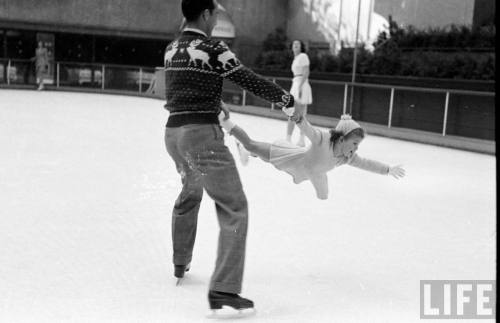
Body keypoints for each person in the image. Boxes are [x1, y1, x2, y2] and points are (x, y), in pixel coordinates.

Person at [163, 0, 304, 315]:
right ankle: (224, 288)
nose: (217, 20)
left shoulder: (171, 48)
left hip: (174, 134)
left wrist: (214, 103)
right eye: (215, 15)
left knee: (191, 191)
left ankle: (180, 261)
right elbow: (248, 79)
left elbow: (179, 90)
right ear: (207, 14)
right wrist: (286, 98)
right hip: (202, 137)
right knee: (234, 207)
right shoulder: (212, 48)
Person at [220, 112, 405, 200]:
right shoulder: (323, 139)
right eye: (355, 143)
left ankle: (248, 151)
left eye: (358, 145)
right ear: (342, 139)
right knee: (253, 145)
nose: (356, 149)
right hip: (289, 157)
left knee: (323, 196)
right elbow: (308, 130)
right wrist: (299, 120)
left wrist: (387, 169)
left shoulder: (347, 157)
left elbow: (367, 163)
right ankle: (225, 122)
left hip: (311, 172)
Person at [286, 40, 313, 147]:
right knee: (297, 113)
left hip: (301, 84)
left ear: (301, 47)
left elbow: (306, 72)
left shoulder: (303, 56)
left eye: (297, 44)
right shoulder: (296, 58)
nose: (295, 45)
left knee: (297, 113)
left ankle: (295, 139)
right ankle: (295, 139)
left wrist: (301, 87)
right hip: (296, 83)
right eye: (293, 44)